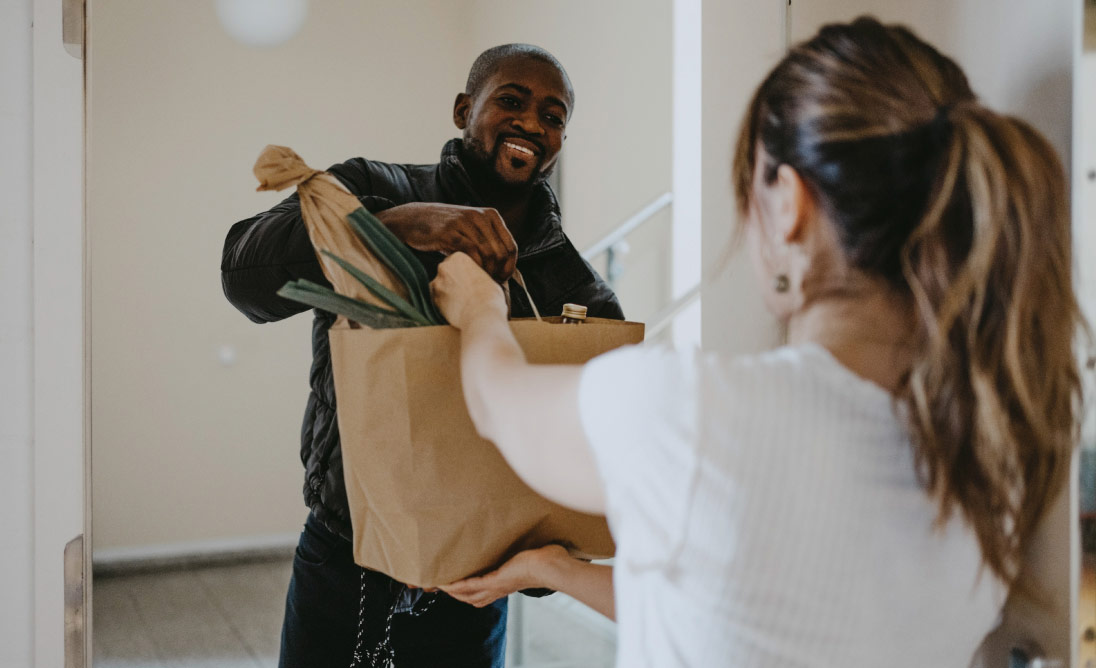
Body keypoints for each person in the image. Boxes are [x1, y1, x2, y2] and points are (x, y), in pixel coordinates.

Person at [431, 17, 1087, 667]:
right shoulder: (986, 457)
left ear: (790, 203)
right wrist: (557, 570)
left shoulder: (697, 415)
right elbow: (741, 613)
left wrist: (481, 308)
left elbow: (495, 402)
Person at [221, 44, 622, 667]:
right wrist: (397, 225)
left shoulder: (579, 292)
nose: (531, 123)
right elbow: (244, 276)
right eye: (511, 101)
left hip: (473, 595)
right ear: (464, 110)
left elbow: (579, 473)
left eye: (553, 116)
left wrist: (528, 565)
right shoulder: (369, 189)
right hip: (343, 556)